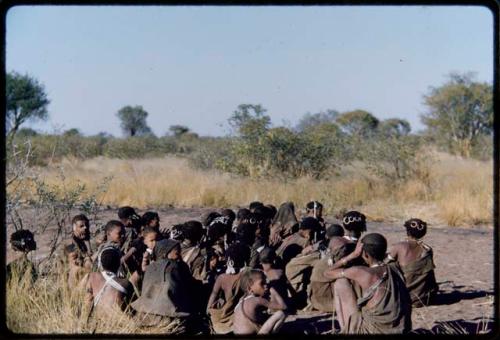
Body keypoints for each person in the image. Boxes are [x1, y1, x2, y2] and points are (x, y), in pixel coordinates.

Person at [324, 233, 412, 334]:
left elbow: (327, 273)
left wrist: (353, 255)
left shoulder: (363, 272)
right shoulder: (395, 269)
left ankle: (347, 329)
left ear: (365, 254)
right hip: (402, 329)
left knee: (341, 282)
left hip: (373, 330)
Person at [131, 239, 195, 333]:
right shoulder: (177, 266)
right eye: (177, 254)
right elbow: (190, 288)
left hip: (144, 316)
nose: (180, 257)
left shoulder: (150, 268)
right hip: (169, 318)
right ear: (165, 253)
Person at [387, 218, 438, 307]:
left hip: (403, 299)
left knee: (389, 265)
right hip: (424, 298)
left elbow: (385, 262)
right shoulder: (428, 250)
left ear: (408, 232)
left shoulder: (400, 246)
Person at [207, 242, 250, 334]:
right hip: (242, 316)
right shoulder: (249, 275)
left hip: (223, 319)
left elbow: (213, 297)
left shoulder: (222, 278)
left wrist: (208, 311)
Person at [232, 269, 287, 335]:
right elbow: (283, 306)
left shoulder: (241, 300)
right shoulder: (257, 300)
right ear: (249, 288)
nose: (266, 285)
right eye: (262, 283)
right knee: (281, 314)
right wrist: (272, 289)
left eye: (265, 283)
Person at [84, 246, 133, 315]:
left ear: (100, 264)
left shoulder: (92, 277)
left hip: (98, 320)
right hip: (118, 321)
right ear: (118, 264)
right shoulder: (125, 283)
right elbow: (133, 305)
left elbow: (88, 301)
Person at [259, 248, 294, 312]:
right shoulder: (280, 272)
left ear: (261, 263)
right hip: (284, 303)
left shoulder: (261, 275)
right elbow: (289, 287)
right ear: (274, 261)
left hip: (271, 306)